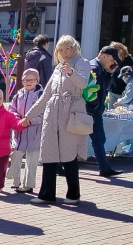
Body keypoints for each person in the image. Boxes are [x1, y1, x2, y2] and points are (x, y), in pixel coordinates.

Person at [23, 35, 89, 205]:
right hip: (52, 113)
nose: (65, 52)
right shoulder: (58, 67)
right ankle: (47, 194)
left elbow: (82, 83)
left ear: (74, 47)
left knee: (69, 154)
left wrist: (71, 72)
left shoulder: (82, 63)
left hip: (70, 112)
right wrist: (29, 115)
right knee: (48, 153)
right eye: (61, 49)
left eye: (67, 48)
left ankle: (73, 194)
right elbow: (46, 95)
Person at [7, 68, 44, 193]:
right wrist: (17, 119)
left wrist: (30, 120)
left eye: (32, 80)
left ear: (37, 81)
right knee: (16, 155)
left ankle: (28, 184)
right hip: (19, 132)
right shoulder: (18, 95)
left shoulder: (41, 95)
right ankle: (15, 180)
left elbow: (43, 113)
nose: (29, 82)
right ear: (22, 81)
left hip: (34, 132)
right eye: (26, 80)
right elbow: (11, 110)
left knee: (32, 160)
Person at [88, 46, 123, 177]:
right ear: (103, 56)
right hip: (91, 111)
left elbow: (104, 87)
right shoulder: (94, 68)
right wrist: (95, 106)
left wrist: (109, 73)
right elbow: (91, 90)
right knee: (95, 138)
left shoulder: (100, 68)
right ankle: (104, 168)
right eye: (112, 59)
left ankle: (105, 168)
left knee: (99, 138)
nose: (113, 63)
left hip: (95, 111)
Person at [107, 42, 133, 106]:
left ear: (120, 51)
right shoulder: (113, 61)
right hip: (112, 91)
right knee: (110, 114)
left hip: (124, 94)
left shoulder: (131, 61)